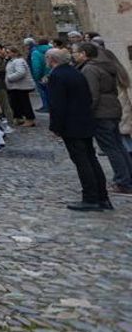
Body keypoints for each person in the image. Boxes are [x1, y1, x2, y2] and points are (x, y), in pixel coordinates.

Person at [47, 47, 112, 211]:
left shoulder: (57, 76)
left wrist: (56, 126)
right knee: (91, 159)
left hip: (71, 125)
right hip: (84, 122)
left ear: (51, 60)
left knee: (82, 161)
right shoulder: (76, 72)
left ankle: (91, 198)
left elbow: (57, 104)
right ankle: (102, 197)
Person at [74, 42, 132, 196]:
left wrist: (86, 114)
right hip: (112, 110)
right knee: (118, 146)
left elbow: (92, 95)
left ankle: (123, 181)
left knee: (112, 148)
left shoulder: (91, 69)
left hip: (102, 113)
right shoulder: (106, 68)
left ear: (84, 53)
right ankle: (127, 178)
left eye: (77, 52)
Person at [5, 47, 37, 126]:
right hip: (15, 86)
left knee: (24, 103)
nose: (7, 54)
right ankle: (19, 117)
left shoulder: (18, 61)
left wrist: (10, 78)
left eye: (9, 52)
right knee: (16, 103)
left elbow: (21, 72)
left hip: (21, 86)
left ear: (14, 53)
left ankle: (30, 119)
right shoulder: (11, 61)